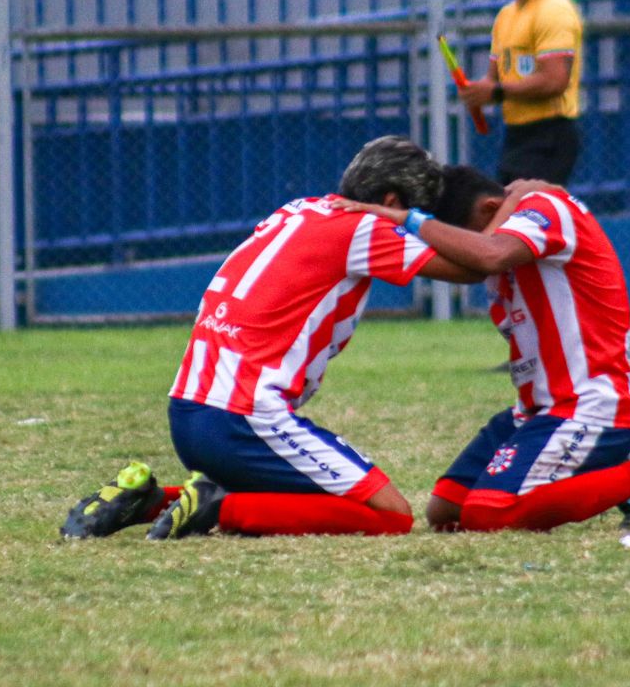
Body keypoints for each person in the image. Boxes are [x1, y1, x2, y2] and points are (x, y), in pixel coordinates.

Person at [59, 136, 487, 540]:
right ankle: (218, 507)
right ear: (391, 202)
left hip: (188, 411)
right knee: (389, 515)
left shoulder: (298, 209)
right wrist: (501, 216)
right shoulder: (366, 228)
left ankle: (149, 501)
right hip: (243, 418)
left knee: (307, 497)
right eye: (415, 213)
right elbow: (476, 266)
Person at [334, 166, 630, 532]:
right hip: (535, 411)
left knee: (490, 515)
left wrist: (410, 220)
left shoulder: (546, 206)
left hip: (586, 406)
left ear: (491, 208)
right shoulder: (508, 220)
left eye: (466, 237)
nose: (464, 254)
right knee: (445, 511)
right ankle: (603, 467)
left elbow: (491, 253)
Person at [459, 0, 584, 186]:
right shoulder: (505, 16)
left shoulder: (554, 10)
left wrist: (496, 92)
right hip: (515, 134)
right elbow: (494, 80)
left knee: (526, 212)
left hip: (549, 134)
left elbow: (554, 80)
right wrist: (477, 91)